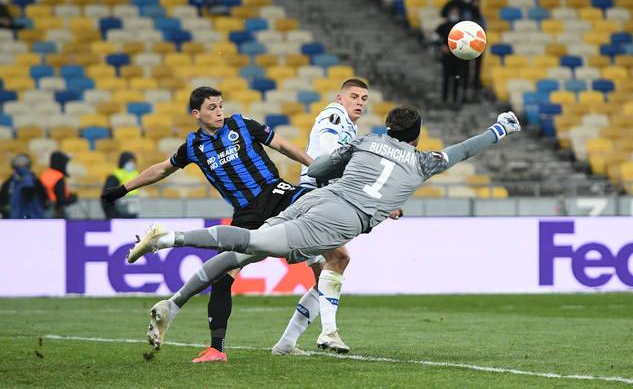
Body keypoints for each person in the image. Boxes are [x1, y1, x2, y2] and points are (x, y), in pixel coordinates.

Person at [127, 107, 522, 350]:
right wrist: (500, 129)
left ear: (388, 129)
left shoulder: (367, 141)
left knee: (245, 253)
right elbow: (463, 149)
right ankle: (168, 238)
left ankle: (173, 305)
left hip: (318, 198)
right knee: (254, 241)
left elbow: (317, 169)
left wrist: (342, 167)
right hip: (341, 219)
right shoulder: (424, 162)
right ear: (417, 136)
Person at [102, 86, 316, 363]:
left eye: (220, 106)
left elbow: (283, 146)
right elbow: (162, 169)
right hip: (246, 214)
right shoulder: (193, 146)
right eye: (212, 107)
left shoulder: (241, 125)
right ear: (197, 113)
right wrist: (123, 189)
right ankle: (217, 349)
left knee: (315, 205)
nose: (219, 112)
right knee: (221, 278)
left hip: (275, 193)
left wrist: (317, 167)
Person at [272, 78, 373, 355]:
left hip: (319, 197)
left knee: (329, 271)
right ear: (340, 98)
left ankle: (287, 343)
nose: (359, 103)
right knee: (338, 259)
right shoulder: (335, 114)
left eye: (364, 99)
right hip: (314, 197)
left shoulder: (349, 126)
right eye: (354, 96)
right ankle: (327, 333)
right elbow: (329, 154)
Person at [435, 7, 468, 105]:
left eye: (456, 12)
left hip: (458, 57)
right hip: (447, 57)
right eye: (453, 12)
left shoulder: (462, 27)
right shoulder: (443, 26)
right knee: (446, 78)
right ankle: (444, 98)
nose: (454, 14)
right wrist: (441, 46)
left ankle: (455, 98)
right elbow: (435, 38)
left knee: (457, 78)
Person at [0, 153, 48, 219]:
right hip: (34, 216)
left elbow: (3, 201)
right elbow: (44, 197)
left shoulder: (9, 182)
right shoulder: (34, 180)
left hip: (14, 216)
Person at [101, 151, 140, 219]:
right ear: (124, 161)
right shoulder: (115, 176)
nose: (132, 163)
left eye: (133, 161)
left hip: (132, 212)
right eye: (129, 161)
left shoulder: (135, 174)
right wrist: (111, 214)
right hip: (119, 214)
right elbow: (106, 196)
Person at [40, 151, 77, 218]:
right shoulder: (58, 176)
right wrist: (71, 199)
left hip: (44, 206)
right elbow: (61, 198)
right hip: (54, 209)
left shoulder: (46, 174)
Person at [467, 0, 486, 94]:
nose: (476, 4)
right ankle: (467, 81)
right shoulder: (467, 14)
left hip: (478, 43)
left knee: (478, 64)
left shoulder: (480, 15)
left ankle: (476, 81)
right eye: (475, 2)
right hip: (468, 42)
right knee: (467, 64)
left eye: (477, 2)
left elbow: (484, 28)